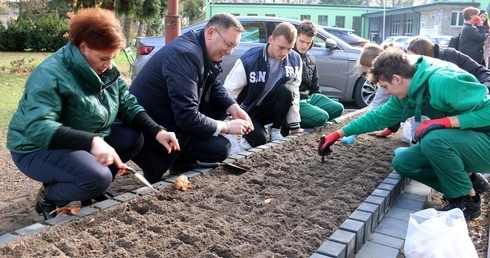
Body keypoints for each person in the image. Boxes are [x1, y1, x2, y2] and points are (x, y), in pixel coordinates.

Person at [7, 8, 180, 220]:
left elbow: (126, 103)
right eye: (104, 58)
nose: (108, 65)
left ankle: (91, 189)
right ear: (83, 47)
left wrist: (157, 131)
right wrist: (92, 142)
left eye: (112, 58)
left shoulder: (105, 68)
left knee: (133, 137)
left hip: (79, 138)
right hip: (35, 148)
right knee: (97, 177)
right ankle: (50, 196)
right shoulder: (50, 74)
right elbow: (37, 127)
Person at [319, 47, 490, 219]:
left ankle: (468, 201)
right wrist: (337, 134)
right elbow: (377, 117)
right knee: (404, 162)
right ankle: (471, 183)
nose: (385, 92)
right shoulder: (408, 92)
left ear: (397, 78)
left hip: (486, 142)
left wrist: (445, 122)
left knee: (433, 139)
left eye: (385, 86)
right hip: (467, 141)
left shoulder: (442, 81)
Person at [129, 13, 253, 183]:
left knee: (220, 120)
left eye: (234, 46)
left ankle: (179, 160)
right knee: (220, 148)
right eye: (228, 44)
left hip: (169, 117)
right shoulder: (186, 55)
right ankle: (174, 161)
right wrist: (226, 127)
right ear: (211, 32)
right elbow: (187, 116)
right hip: (152, 128)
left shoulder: (199, 46)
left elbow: (213, 82)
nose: (230, 52)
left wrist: (234, 107)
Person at [224, 22, 302, 148]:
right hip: (248, 110)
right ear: (271, 39)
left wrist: (295, 125)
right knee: (260, 141)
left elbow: (294, 92)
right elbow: (229, 90)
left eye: (289, 48)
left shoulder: (295, 60)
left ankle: (275, 130)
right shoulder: (251, 59)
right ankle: (248, 135)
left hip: (269, 108)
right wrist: (227, 124)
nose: (284, 53)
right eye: (281, 47)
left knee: (287, 91)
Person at [293, 20, 344, 129]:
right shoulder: (288, 56)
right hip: (294, 101)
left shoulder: (311, 58)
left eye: (308, 43)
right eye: (301, 41)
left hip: (309, 98)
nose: (304, 46)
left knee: (338, 108)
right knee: (322, 117)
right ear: (295, 38)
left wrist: (320, 102)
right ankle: (289, 123)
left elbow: (315, 88)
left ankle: (311, 116)